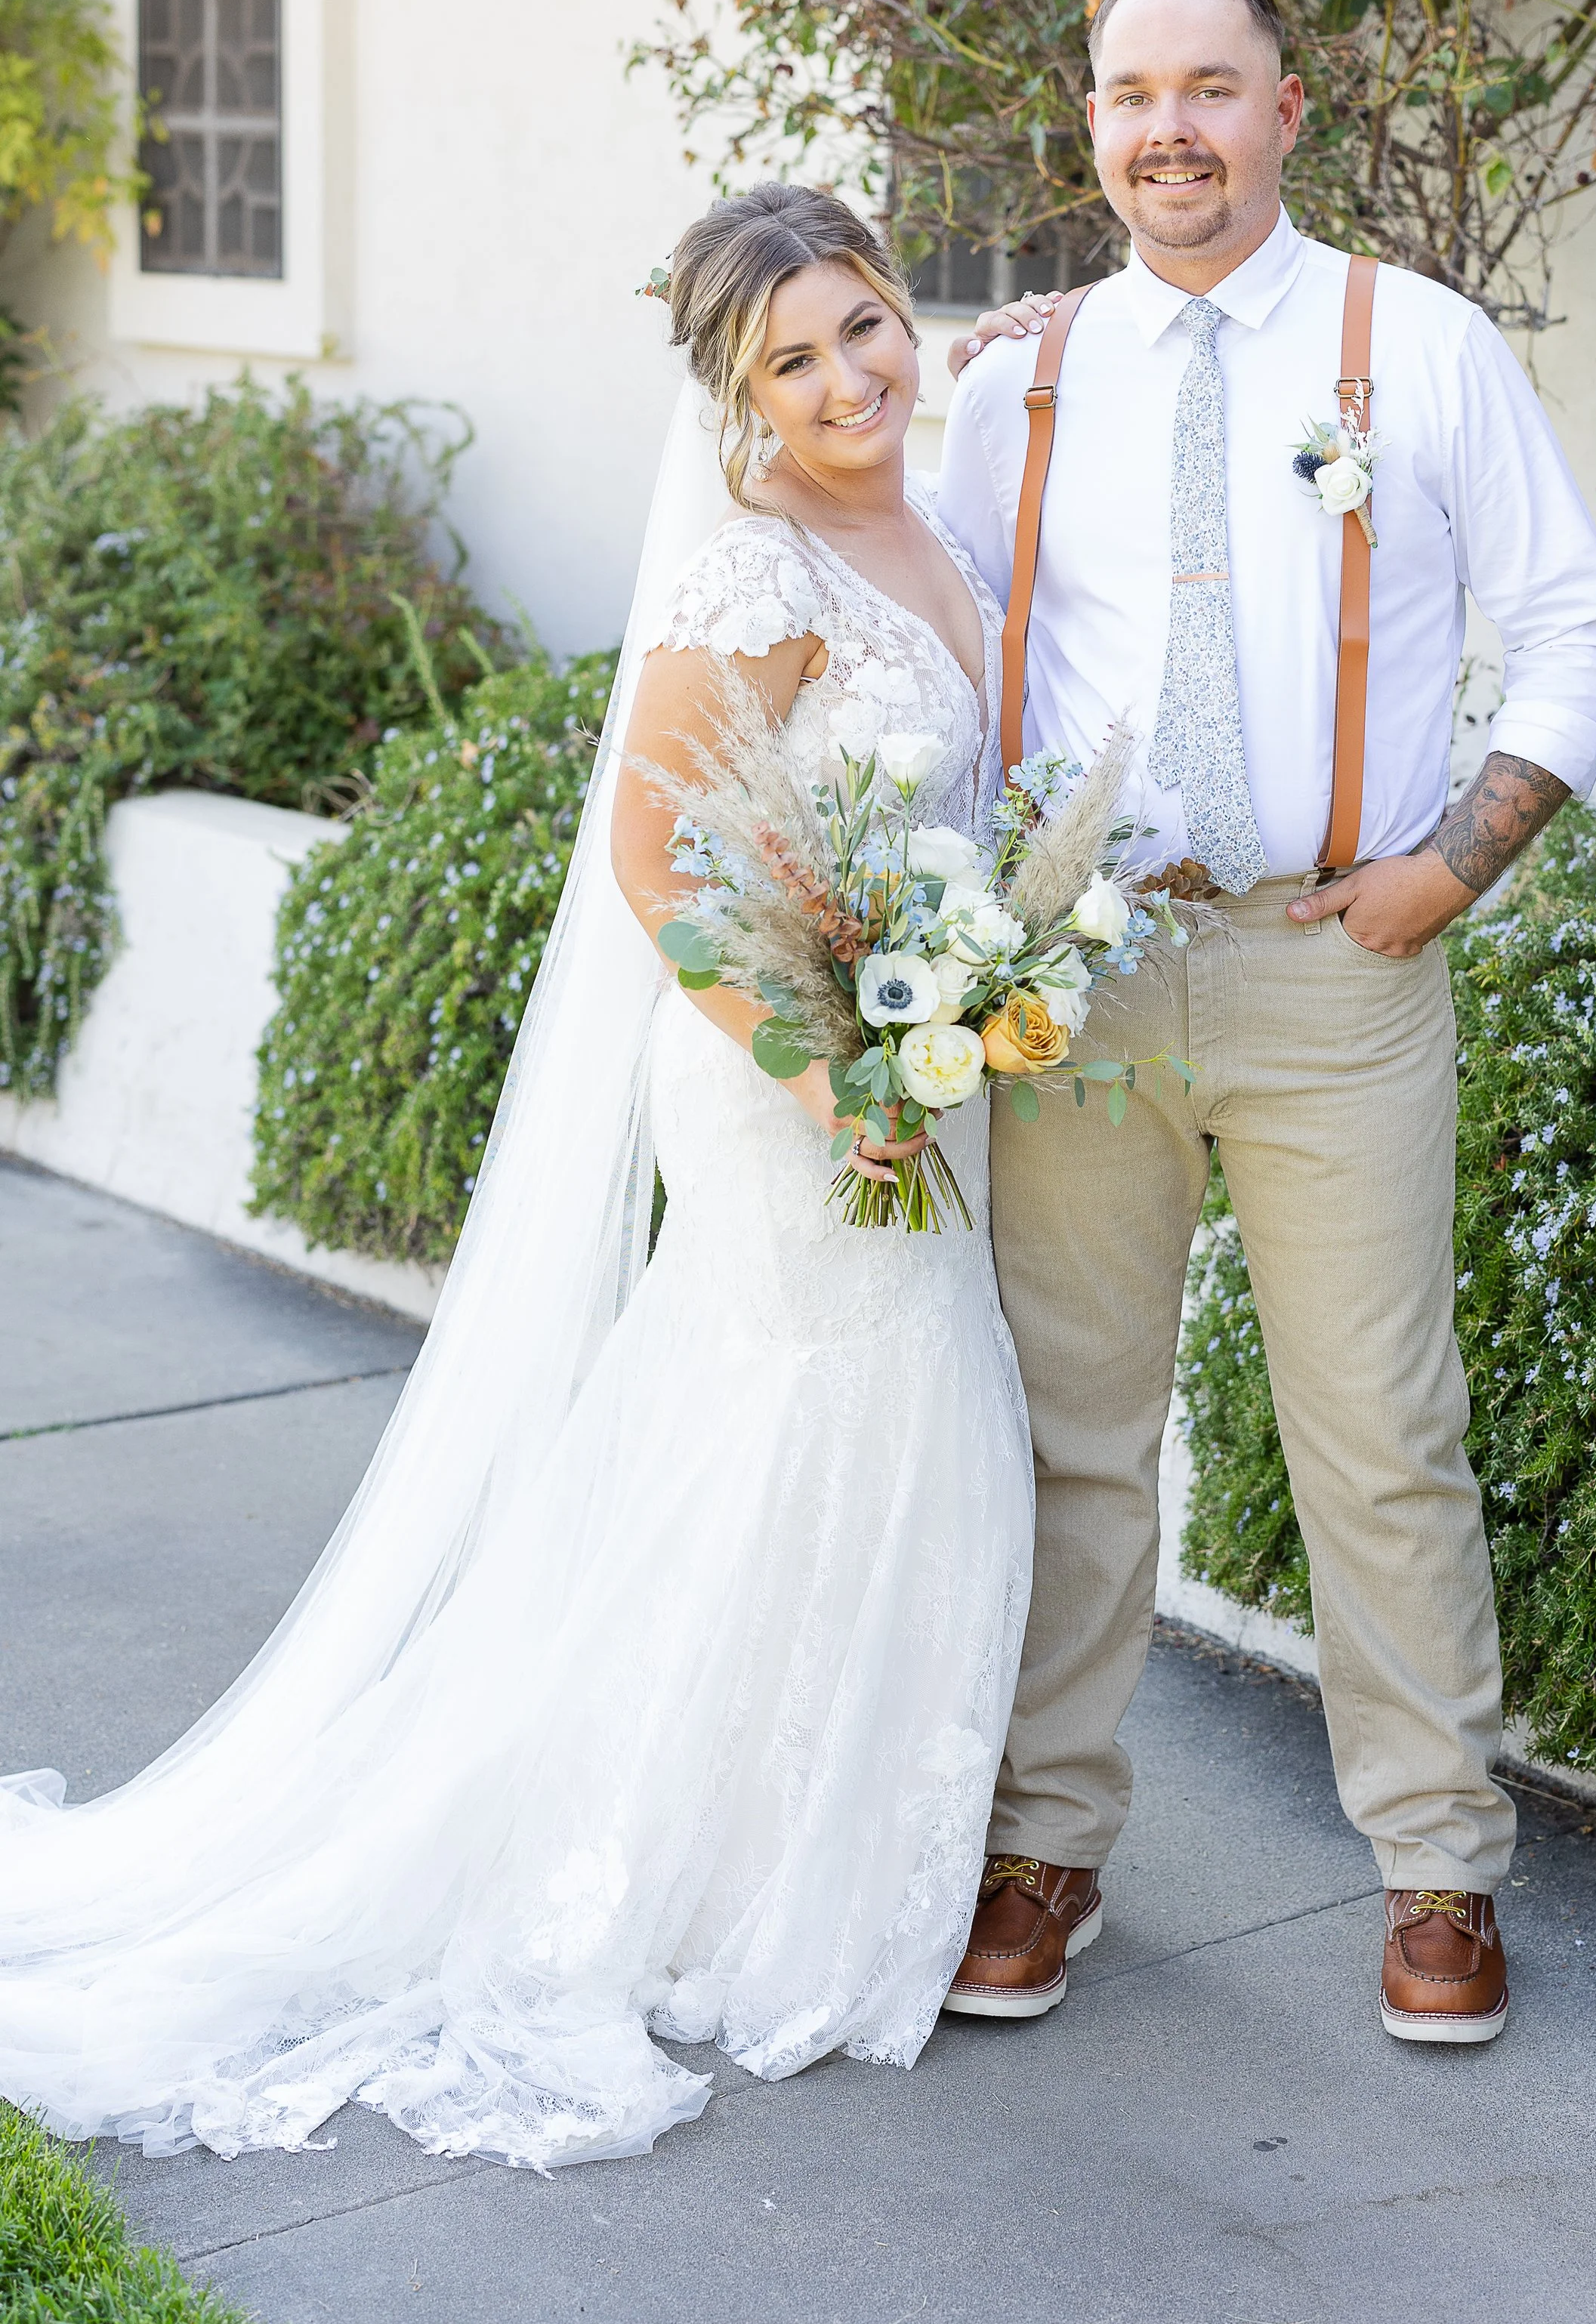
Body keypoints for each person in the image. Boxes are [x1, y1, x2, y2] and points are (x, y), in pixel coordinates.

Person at [0, 185, 1034, 2171]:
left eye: (862, 327)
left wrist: (949, 1009)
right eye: (792, 360)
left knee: (882, 1434)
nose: (847, 378)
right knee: (806, 1430)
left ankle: (777, 1855)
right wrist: (830, 1067)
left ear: (906, 313)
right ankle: (686, 1878)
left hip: (915, 1062)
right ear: (734, 401)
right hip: (783, 1078)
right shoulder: (756, 570)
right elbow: (663, 859)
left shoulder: (928, 517)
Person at [934, 0, 1596, 2042]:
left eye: (1209, 87)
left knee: (1378, 1433)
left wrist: (1452, 861)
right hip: (1080, 980)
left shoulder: (1409, 346)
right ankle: (1040, 1843)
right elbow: (938, 637)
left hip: (1335, 964)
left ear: (1282, 110)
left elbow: (1573, 625)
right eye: (1129, 92)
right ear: (1090, 124)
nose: (1167, 127)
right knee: (1070, 1440)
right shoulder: (1018, 379)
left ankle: (1438, 1863)